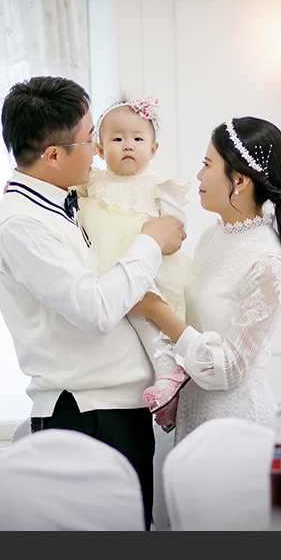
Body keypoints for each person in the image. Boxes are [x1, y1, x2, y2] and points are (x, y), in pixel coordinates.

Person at [0, 76, 186, 528]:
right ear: (53, 155)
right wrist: (149, 241)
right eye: (89, 138)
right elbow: (94, 311)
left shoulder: (67, 202)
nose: (98, 149)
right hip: (85, 413)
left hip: (116, 410)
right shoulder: (22, 225)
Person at [130, 117, 281, 442]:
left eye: (207, 164)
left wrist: (157, 311)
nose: (199, 175)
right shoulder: (211, 237)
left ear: (239, 180)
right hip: (193, 419)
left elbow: (229, 368)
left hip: (238, 427)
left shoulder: (267, 262)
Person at [75, 96, 191, 431]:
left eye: (138, 138)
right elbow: (60, 192)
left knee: (144, 310)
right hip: (108, 263)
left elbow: (176, 225)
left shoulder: (159, 184)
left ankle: (167, 369)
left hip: (147, 260)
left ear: (153, 149)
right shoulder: (92, 180)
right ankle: (167, 378)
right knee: (123, 313)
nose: (128, 145)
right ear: (99, 149)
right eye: (117, 138)